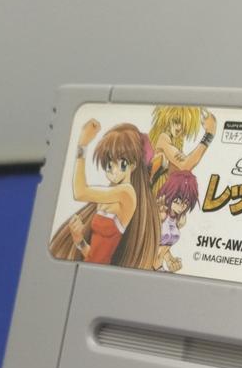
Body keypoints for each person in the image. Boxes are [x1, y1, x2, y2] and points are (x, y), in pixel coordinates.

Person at [49, 120, 159, 269]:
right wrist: (79, 240)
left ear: (133, 166)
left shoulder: (127, 193)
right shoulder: (107, 198)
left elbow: (79, 192)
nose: (114, 170)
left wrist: (83, 144)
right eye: (109, 164)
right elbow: (95, 255)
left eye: (122, 164)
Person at [148, 105, 216, 194]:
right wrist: (209, 134)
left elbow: (183, 166)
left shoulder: (176, 141)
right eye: (176, 121)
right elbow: (186, 166)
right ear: (168, 119)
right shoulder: (163, 138)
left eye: (184, 125)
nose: (179, 128)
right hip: (157, 195)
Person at [153, 170, 199, 272]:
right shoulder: (159, 213)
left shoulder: (180, 220)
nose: (181, 206)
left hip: (159, 268)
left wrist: (170, 260)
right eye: (177, 200)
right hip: (146, 265)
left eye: (186, 202)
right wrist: (158, 218)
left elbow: (163, 247)